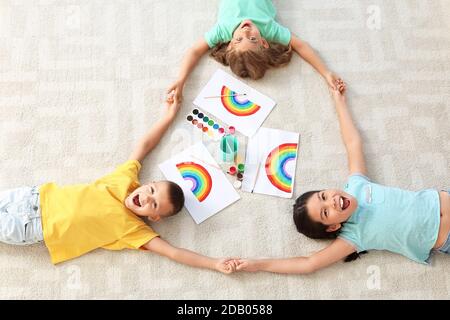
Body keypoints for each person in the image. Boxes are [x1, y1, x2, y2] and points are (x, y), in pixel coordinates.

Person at [0, 91, 238, 274]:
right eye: (151, 190)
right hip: (32, 197)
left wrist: (214, 263)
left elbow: (173, 253)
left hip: (33, 228)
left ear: (154, 218)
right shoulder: (125, 180)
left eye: (153, 205)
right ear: (148, 183)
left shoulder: (134, 230)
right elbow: (145, 145)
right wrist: (168, 115)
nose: (146, 198)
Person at [236, 81, 450, 274]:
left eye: (323, 196)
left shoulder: (356, 185)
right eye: (326, 212)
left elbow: (352, 143)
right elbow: (308, 263)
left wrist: (339, 102)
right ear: (332, 227)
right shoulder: (352, 237)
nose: (332, 201)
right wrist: (258, 265)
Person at [167, 0, 342, 102]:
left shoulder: (222, 29)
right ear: (264, 43)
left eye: (238, 39)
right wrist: (326, 73)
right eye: (252, 39)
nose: (246, 31)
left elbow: (194, 51)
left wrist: (181, 80)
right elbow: (301, 46)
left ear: (229, 45)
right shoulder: (269, 29)